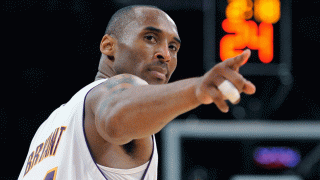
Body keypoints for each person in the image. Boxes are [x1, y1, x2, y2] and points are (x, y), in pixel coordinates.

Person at [18, 4, 256, 180]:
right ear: (108, 45)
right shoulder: (113, 92)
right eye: (150, 38)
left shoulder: (49, 127)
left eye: (173, 47)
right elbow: (115, 113)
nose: (165, 54)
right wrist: (196, 89)